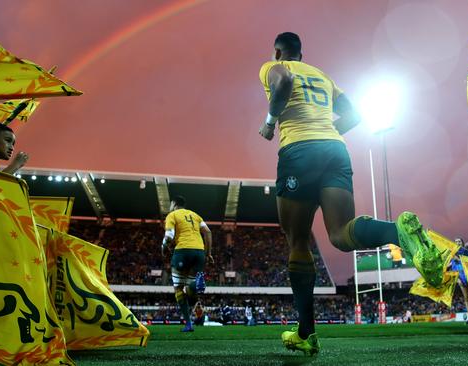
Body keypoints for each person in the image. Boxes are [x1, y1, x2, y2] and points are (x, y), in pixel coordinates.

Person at [258, 32, 441, 356]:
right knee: (341, 234)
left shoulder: (274, 66)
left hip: (298, 151)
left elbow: (283, 79)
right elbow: (355, 116)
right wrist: (326, 135)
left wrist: (271, 121)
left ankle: (306, 333)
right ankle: (398, 231)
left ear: (278, 51)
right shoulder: (324, 77)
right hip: (335, 150)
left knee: (297, 241)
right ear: (303, 52)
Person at [162, 196, 213, 332]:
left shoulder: (172, 215)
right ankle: (193, 285)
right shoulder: (195, 215)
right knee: (190, 288)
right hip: (199, 252)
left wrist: (163, 246)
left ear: (174, 204)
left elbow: (169, 235)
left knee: (178, 288)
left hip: (182, 251)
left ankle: (189, 324)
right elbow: (208, 232)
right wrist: (208, 254)